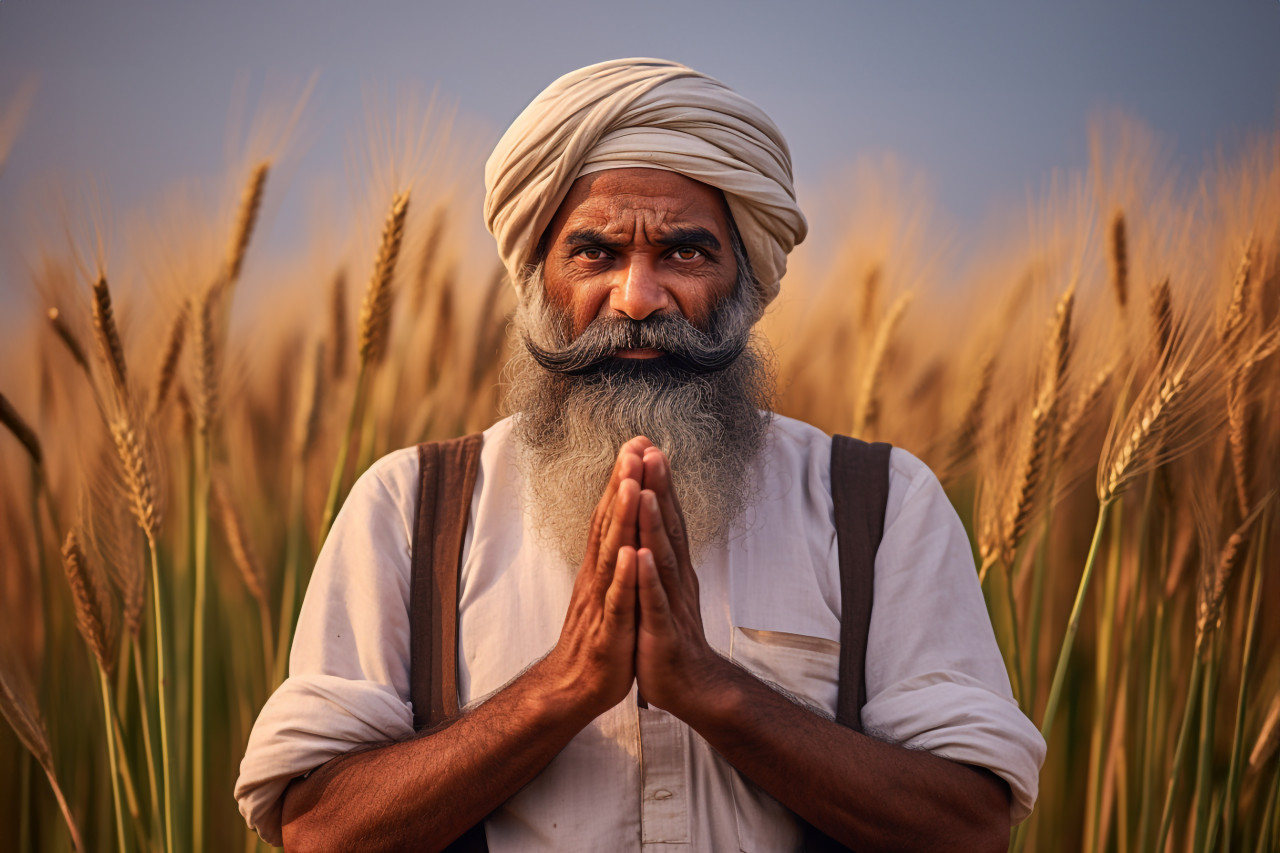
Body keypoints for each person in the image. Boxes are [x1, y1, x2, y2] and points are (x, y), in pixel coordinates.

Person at [236, 58, 1045, 852]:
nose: (637, 296)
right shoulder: (410, 509)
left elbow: (969, 824)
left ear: (746, 283)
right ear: (536, 279)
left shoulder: (878, 505)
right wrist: (561, 687)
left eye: (685, 253)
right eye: (594, 253)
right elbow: (318, 827)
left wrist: (713, 690)